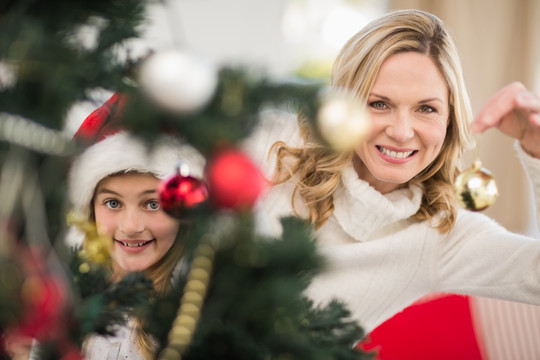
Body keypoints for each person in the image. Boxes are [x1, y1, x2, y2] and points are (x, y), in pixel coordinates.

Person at [244, 8, 540, 335]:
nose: (401, 131)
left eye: (426, 108)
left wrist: (538, 150)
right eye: (379, 104)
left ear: (449, 121)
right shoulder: (273, 148)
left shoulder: (441, 236)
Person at [64, 100, 205, 359]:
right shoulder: (67, 301)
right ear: (90, 211)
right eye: (113, 203)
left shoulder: (195, 315)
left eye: (152, 204)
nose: (130, 227)